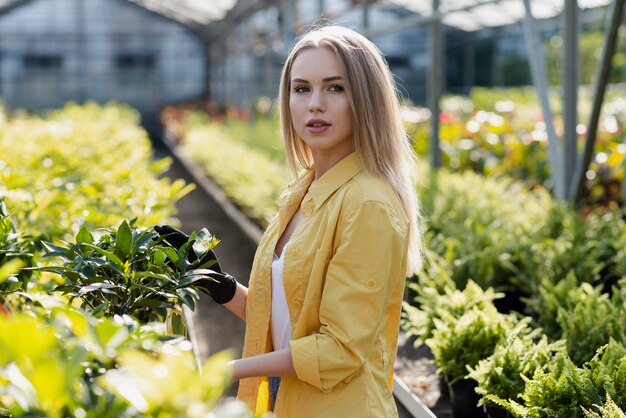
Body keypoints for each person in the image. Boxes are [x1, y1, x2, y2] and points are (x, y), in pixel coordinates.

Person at [156, 24, 422, 418]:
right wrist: (219, 284)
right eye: (302, 89)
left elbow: (339, 350)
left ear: (366, 99)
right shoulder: (304, 191)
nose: (315, 104)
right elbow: (292, 322)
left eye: (336, 87)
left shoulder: (368, 204)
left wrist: (224, 371)